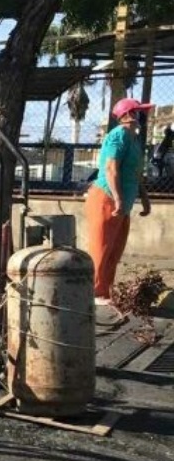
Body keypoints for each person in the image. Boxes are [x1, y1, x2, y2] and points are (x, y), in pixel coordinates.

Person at [86, 97, 154, 307]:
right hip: (107, 198)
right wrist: (117, 198)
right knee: (101, 246)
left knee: (115, 249)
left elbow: (135, 174)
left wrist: (144, 199)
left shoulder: (134, 140)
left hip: (122, 202)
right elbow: (111, 168)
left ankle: (105, 291)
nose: (143, 116)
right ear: (128, 114)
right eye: (139, 112)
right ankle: (94, 292)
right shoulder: (118, 136)